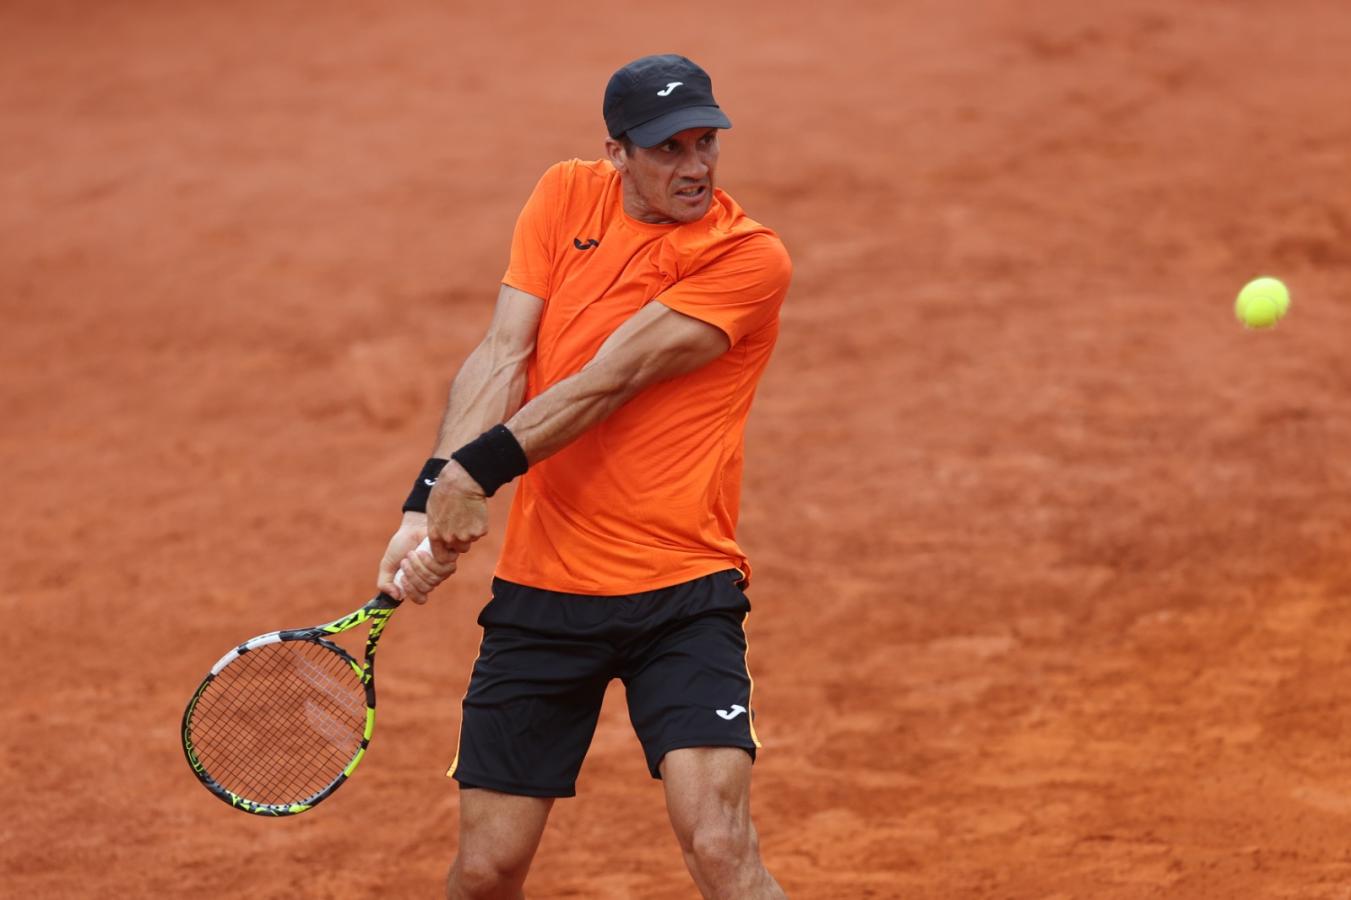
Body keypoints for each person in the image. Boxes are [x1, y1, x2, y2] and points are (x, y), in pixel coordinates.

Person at [376, 53, 792, 900]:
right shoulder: (565, 195)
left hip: (683, 591)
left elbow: (611, 376)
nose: (696, 167)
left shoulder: (747, 258)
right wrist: (426, 501)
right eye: (668, 149)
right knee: (488, 870)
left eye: (705, 142)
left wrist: (476, 472)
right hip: (543, 595)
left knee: (718, 845)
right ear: (616, 153)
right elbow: (503, 353)